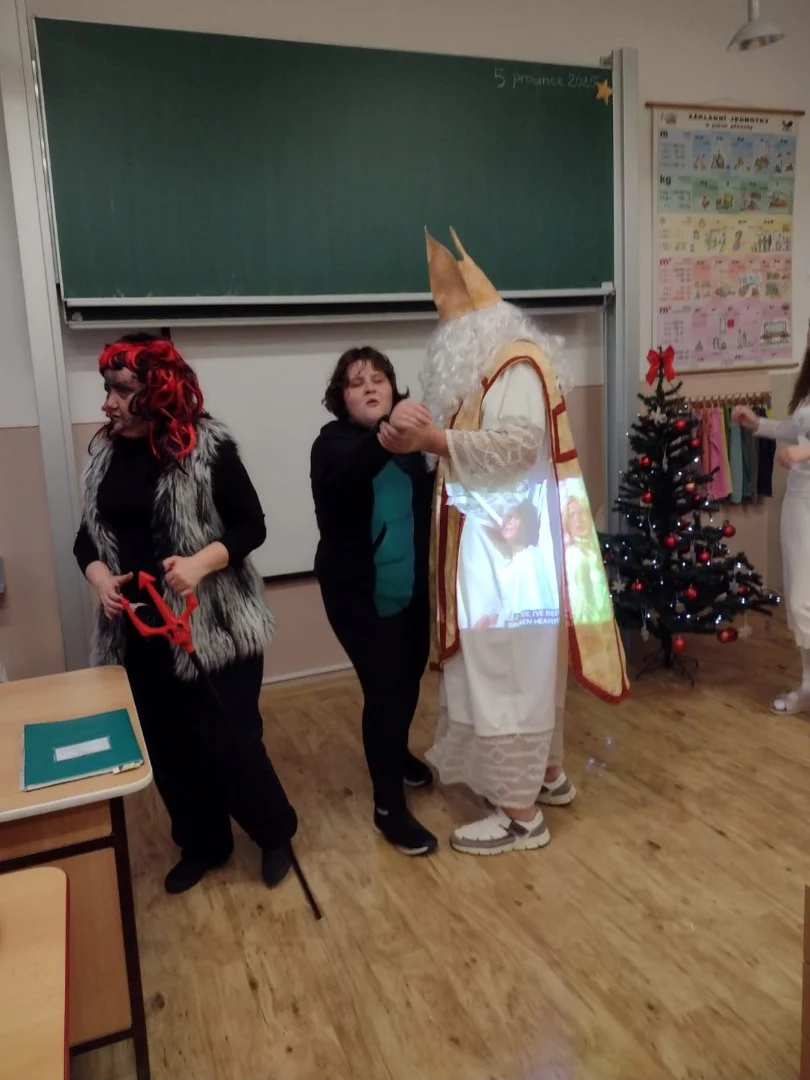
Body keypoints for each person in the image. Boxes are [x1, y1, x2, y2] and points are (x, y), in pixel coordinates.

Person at [378, 229, 629, 855]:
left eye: (450, 327)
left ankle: (520, 818)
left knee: (505, 677)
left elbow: (516, 446)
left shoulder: (513, 366)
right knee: (525, 672)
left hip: (509, 558)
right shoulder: (497, 366)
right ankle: (547, 776)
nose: (444, 339)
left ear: (473, 328)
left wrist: (431, 441)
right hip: (506, 548)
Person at [73, 333, 298, 894]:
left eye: (121, 390)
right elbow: (86, 541)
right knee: (169, 747)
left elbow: (251, 526)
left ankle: (275, 834)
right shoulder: (104, 456)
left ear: (158, 391)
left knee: (230, 742)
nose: (108, 402)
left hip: (211, 627)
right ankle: (204, 844)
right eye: (107, 388)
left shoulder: (206, 448)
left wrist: (199, 564)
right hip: (138, 633)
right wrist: (101, 580)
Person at [310, 346, 438, 856]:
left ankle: (395, 753)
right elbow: (352, 470)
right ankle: (388, 809)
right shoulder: (332, 444)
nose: (369, 387)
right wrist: (391, 429)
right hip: (357, 595)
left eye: (379, 379)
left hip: (409, 588)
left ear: (392, 387)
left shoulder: (412, 449)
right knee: (385, 691)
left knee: (408, 680)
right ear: (341, 398)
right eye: (356, 382)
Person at [733, 324, 810, 715]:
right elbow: (797, 428)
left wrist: (805, 453)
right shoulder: (807, 383)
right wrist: (759, 425)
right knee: (799, 600)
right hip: (800, 503)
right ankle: (808, 685)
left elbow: (805, 444)